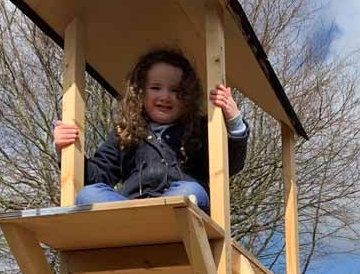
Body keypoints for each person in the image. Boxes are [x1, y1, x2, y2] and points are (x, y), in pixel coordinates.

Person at [53, 48, 249, 213]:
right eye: (156, 87)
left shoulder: (197, 130)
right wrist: (66, 151)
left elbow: (228, 164)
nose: (166, 96)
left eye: (176, 90)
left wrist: (234, 122)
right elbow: (96, 175)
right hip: (131, 206)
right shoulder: (126, 132)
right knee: (87, 195)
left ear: (187, 97)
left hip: (179, 205)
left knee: (191, 191)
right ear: (140, 92)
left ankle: (155, 219)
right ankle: (139, 222)